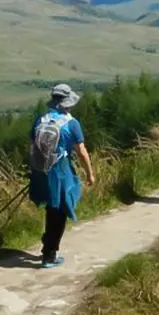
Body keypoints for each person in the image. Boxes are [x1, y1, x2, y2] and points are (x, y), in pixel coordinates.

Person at [28, 84, 95, 268]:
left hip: (41, 170)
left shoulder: (41, 120)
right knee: (61, 208)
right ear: (68, 103)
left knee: (52, 206)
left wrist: (34, 169)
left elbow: (32, 145)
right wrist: (90, 174)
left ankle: (48, 243)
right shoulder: (71, 123)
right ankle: (49, 253)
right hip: (60, 169)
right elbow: (81, 152)